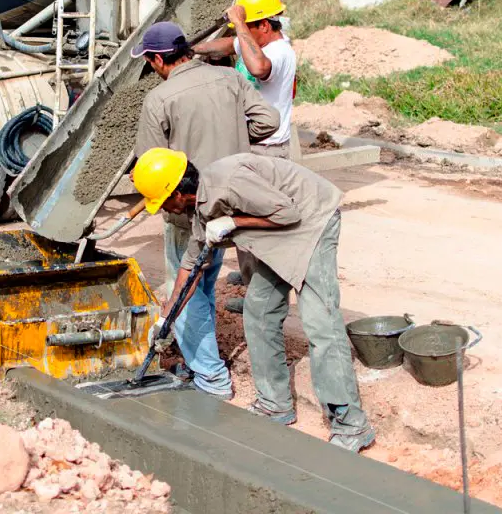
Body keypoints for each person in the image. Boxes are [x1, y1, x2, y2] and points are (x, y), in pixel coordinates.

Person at [131, 147, 376, 453]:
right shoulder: (202, 210)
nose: (164, 211)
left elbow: (288, 213)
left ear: (178, 192)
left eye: (163, 202)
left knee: (320, 323)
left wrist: (235, 223)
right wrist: (167, 318)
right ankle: (275, 404)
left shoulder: (228, 184)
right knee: (259, 311)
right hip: (278, 231)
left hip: (312, 220)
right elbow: (190, 267)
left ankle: (352, 424)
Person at [131, 21, 280, 400]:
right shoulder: (229, 78)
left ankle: (210, 376)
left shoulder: (160, 100)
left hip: (189, 206)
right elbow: (269, 121)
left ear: (160, 60)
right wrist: (237, 139)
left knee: (189, 288)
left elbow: (149, 164)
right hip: (238, 201)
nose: (151, 68)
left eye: (150, 62)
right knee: (210, 280)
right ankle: (225, 366)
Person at [194, 0, 296, 159]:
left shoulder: (279, 51)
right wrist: (193, 49)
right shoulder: (255, 44)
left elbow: (258, 68)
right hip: (249, 144)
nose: (241, 34)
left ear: (264, 25)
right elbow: (227, 45)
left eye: (246, 28)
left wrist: (240, 23)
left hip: (266, 148)